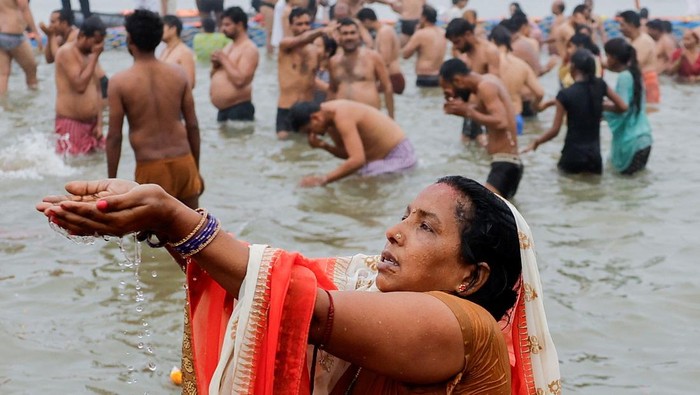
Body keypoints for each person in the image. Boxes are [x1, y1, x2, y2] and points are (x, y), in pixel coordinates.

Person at [38, 174, 561, 395]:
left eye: (425, 226)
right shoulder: (375, 294)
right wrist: (157, 222)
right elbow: (264, 283)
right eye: (405, 214)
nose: (395, 231)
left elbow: (300, 307)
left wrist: (175, 218)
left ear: (473, 275)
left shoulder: (463, 326)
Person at [106, 10, 202, 209]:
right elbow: (192, 125)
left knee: (153, 238)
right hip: (185, 163)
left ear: (129, 39)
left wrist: (110, 182)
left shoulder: (119, 82)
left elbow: (114, 137)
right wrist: (196, 170)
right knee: (192, 234)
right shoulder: (179, 74)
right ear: (159, 38)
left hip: (150, 168)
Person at [523, 49, 627, 175]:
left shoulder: (565, 94)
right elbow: (622, 107)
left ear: (572, 67)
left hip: (572, 156)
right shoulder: (600, 85)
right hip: (594, 158)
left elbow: (555, 131)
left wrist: (537, 142)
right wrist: (599, 105)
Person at [439, 58, 523, 199]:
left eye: (451, 91)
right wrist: (461, 109)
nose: (452, 96)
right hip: (508, 163)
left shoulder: (486, 87)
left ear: (458, 80)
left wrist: (468, 111)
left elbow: (501, 121)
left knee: (483, 214)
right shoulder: (488, 80)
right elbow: (482, 113)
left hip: (505, 164)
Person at [289, 100, 416, 186]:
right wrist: (324, 146)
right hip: (378, 160)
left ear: (315, 118)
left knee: (356, 183)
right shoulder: (329, 120)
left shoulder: (341, 116)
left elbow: (357, 161)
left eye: (309, 131)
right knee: (349, 180)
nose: (312, 135)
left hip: (399, 156)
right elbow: (349, 155)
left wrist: (322, 180)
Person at [54, 15, 106, 156]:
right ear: (82, 35)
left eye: (101, 43)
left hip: (93, 125)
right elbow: (80, 86)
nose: (98, 47)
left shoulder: (90, 56)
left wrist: (100, 123)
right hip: (71, 123)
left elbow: (98, 90)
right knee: (75, 169)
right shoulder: (66, 52)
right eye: (95, 42)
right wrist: (95, 57)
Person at [276, 9, 330, 139]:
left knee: (310, 147)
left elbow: (312, 80)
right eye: (299, 24)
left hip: (308, 108)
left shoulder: (315, 51)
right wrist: (321, 31)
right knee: (284, 145)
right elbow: (301, 40)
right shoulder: (285, 45)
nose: (304, 27)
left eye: (306, 23)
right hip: (287, 107)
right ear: (290, 26)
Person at [603, 38, 653, 175]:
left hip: (631, 140)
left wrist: (602, 106)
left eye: (607, 55)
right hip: (644, 137)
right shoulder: (635, 73)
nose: (605, 60)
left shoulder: (624, 77)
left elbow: (623, 106)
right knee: (635, 186)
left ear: (614, 58)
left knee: (625, 187)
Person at [329, 18, 394, 119]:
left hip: (369, 116)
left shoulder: (373, 57)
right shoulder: (334, 62)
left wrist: (391, 117)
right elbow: (332, 90)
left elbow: (387, 87)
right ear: (339, 37)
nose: (349, 37)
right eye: (345, 33)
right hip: (343, 117)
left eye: (352, 33)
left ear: (359, 35)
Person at [490, 26, 543, 136]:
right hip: (516, 117)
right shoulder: (521, 65)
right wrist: (535, 106)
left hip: (496, 117)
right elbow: (539, 93)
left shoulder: (489, 65)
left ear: (492, 41)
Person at [210, 7, 259, 123]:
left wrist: (223, 59)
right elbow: (213, 76)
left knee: (238, 141)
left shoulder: (249, 48)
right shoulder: (228, 47)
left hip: (239, 108)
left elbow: (240, 81)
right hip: (223, 110)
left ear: (240, 25)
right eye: (222, 25)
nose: (223, 29)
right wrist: (215, 66)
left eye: (227, 25)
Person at [357, 8, 405, 94]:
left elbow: (384, 60)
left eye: (362, 25)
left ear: (367, 21)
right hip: (391, 76)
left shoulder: (384, 32)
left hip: (392, 77)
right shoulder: (382, 31)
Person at [0, 0, 41, 95]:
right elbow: (25, 9)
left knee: (3, 74)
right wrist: (36, 33)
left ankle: (3, 105)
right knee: (31, 69)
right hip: (13, 33)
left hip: (1, 34)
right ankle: (33, 101)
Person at [619, 10, 659, 104]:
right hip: (635, 81)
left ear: (631, 25)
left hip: (647, 82)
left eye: (622, 25)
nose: (620, 28)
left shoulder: (644, 41)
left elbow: (634, 65)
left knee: (649, 112)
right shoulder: (630, 40)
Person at [401, 5, 446, 88]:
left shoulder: (420, 34)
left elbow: (405, 55)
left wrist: (415, 33)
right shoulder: (443, 32)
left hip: (424, 77)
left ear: (424, 17)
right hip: (440, 76)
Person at [160, 15, 196, 89]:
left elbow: (190, 83)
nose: (158, 31)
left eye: (161, 28)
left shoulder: (184, 52)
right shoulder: (165, 50)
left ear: (173, 29)